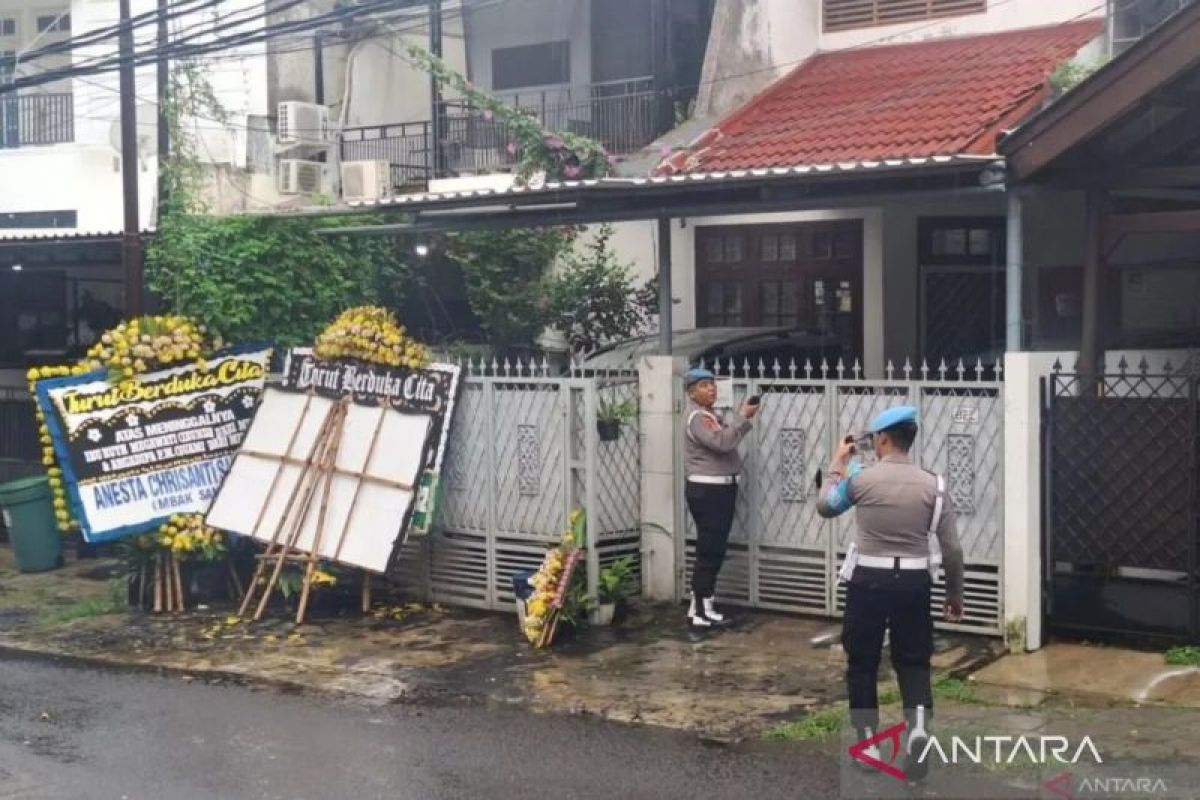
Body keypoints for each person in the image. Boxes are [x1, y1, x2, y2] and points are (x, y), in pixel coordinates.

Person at [817, 405, 964, 780]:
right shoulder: (935, 484)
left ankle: (868, 744)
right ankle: (917, 729)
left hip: (868, 580)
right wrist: (954, 593)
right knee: (914, 662)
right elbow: (952, 549)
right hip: (914, 582)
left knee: (862, 663)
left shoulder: (861, 479)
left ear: (882, 439)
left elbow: (826, 506)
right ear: (909, 439)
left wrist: (837, 461)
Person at [681, 367, 759, 629]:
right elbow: (723, 443)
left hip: (720, 489)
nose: (711, 389)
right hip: (708, 490)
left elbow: (727, 438)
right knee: (709, 549)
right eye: (704, 385)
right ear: (692, 392)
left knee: (714, 548)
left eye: (712, 384)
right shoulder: (696, 418)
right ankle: (699, 608)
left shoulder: (709, 415)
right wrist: (741, 418)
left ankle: (704, 604)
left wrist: (740, 420)